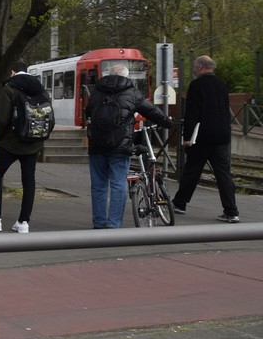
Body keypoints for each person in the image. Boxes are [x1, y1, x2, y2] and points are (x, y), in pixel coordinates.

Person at [85, 64, 173, 228]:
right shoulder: (131, 92)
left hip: (97, 144)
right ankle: (113, 224)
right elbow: (151, 111)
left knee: (98, 185)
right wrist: (167, 122)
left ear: (108, 75)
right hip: (121, 145)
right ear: (126, 77)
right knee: (118, 184)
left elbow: (88, 113)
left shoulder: (96, 91)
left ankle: (98, 223)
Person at [0, 59, 47, 233]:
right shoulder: (40, 88)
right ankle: (23, 222)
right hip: (33, 141)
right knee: (29, 181)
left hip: (11, 142)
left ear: (13, 72)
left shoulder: (10, 88)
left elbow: (4, 118)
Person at [172, 56, 239, 222]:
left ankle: (180, 203)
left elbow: (192, 113)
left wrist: (187, 137)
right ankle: (231, 211)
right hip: (222, 136)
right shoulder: (222, 84)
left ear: (201, 66)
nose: (194, 69)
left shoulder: (196, 85)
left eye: (195, 66)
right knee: (223, 174)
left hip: (202, 136)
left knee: (191, 171)